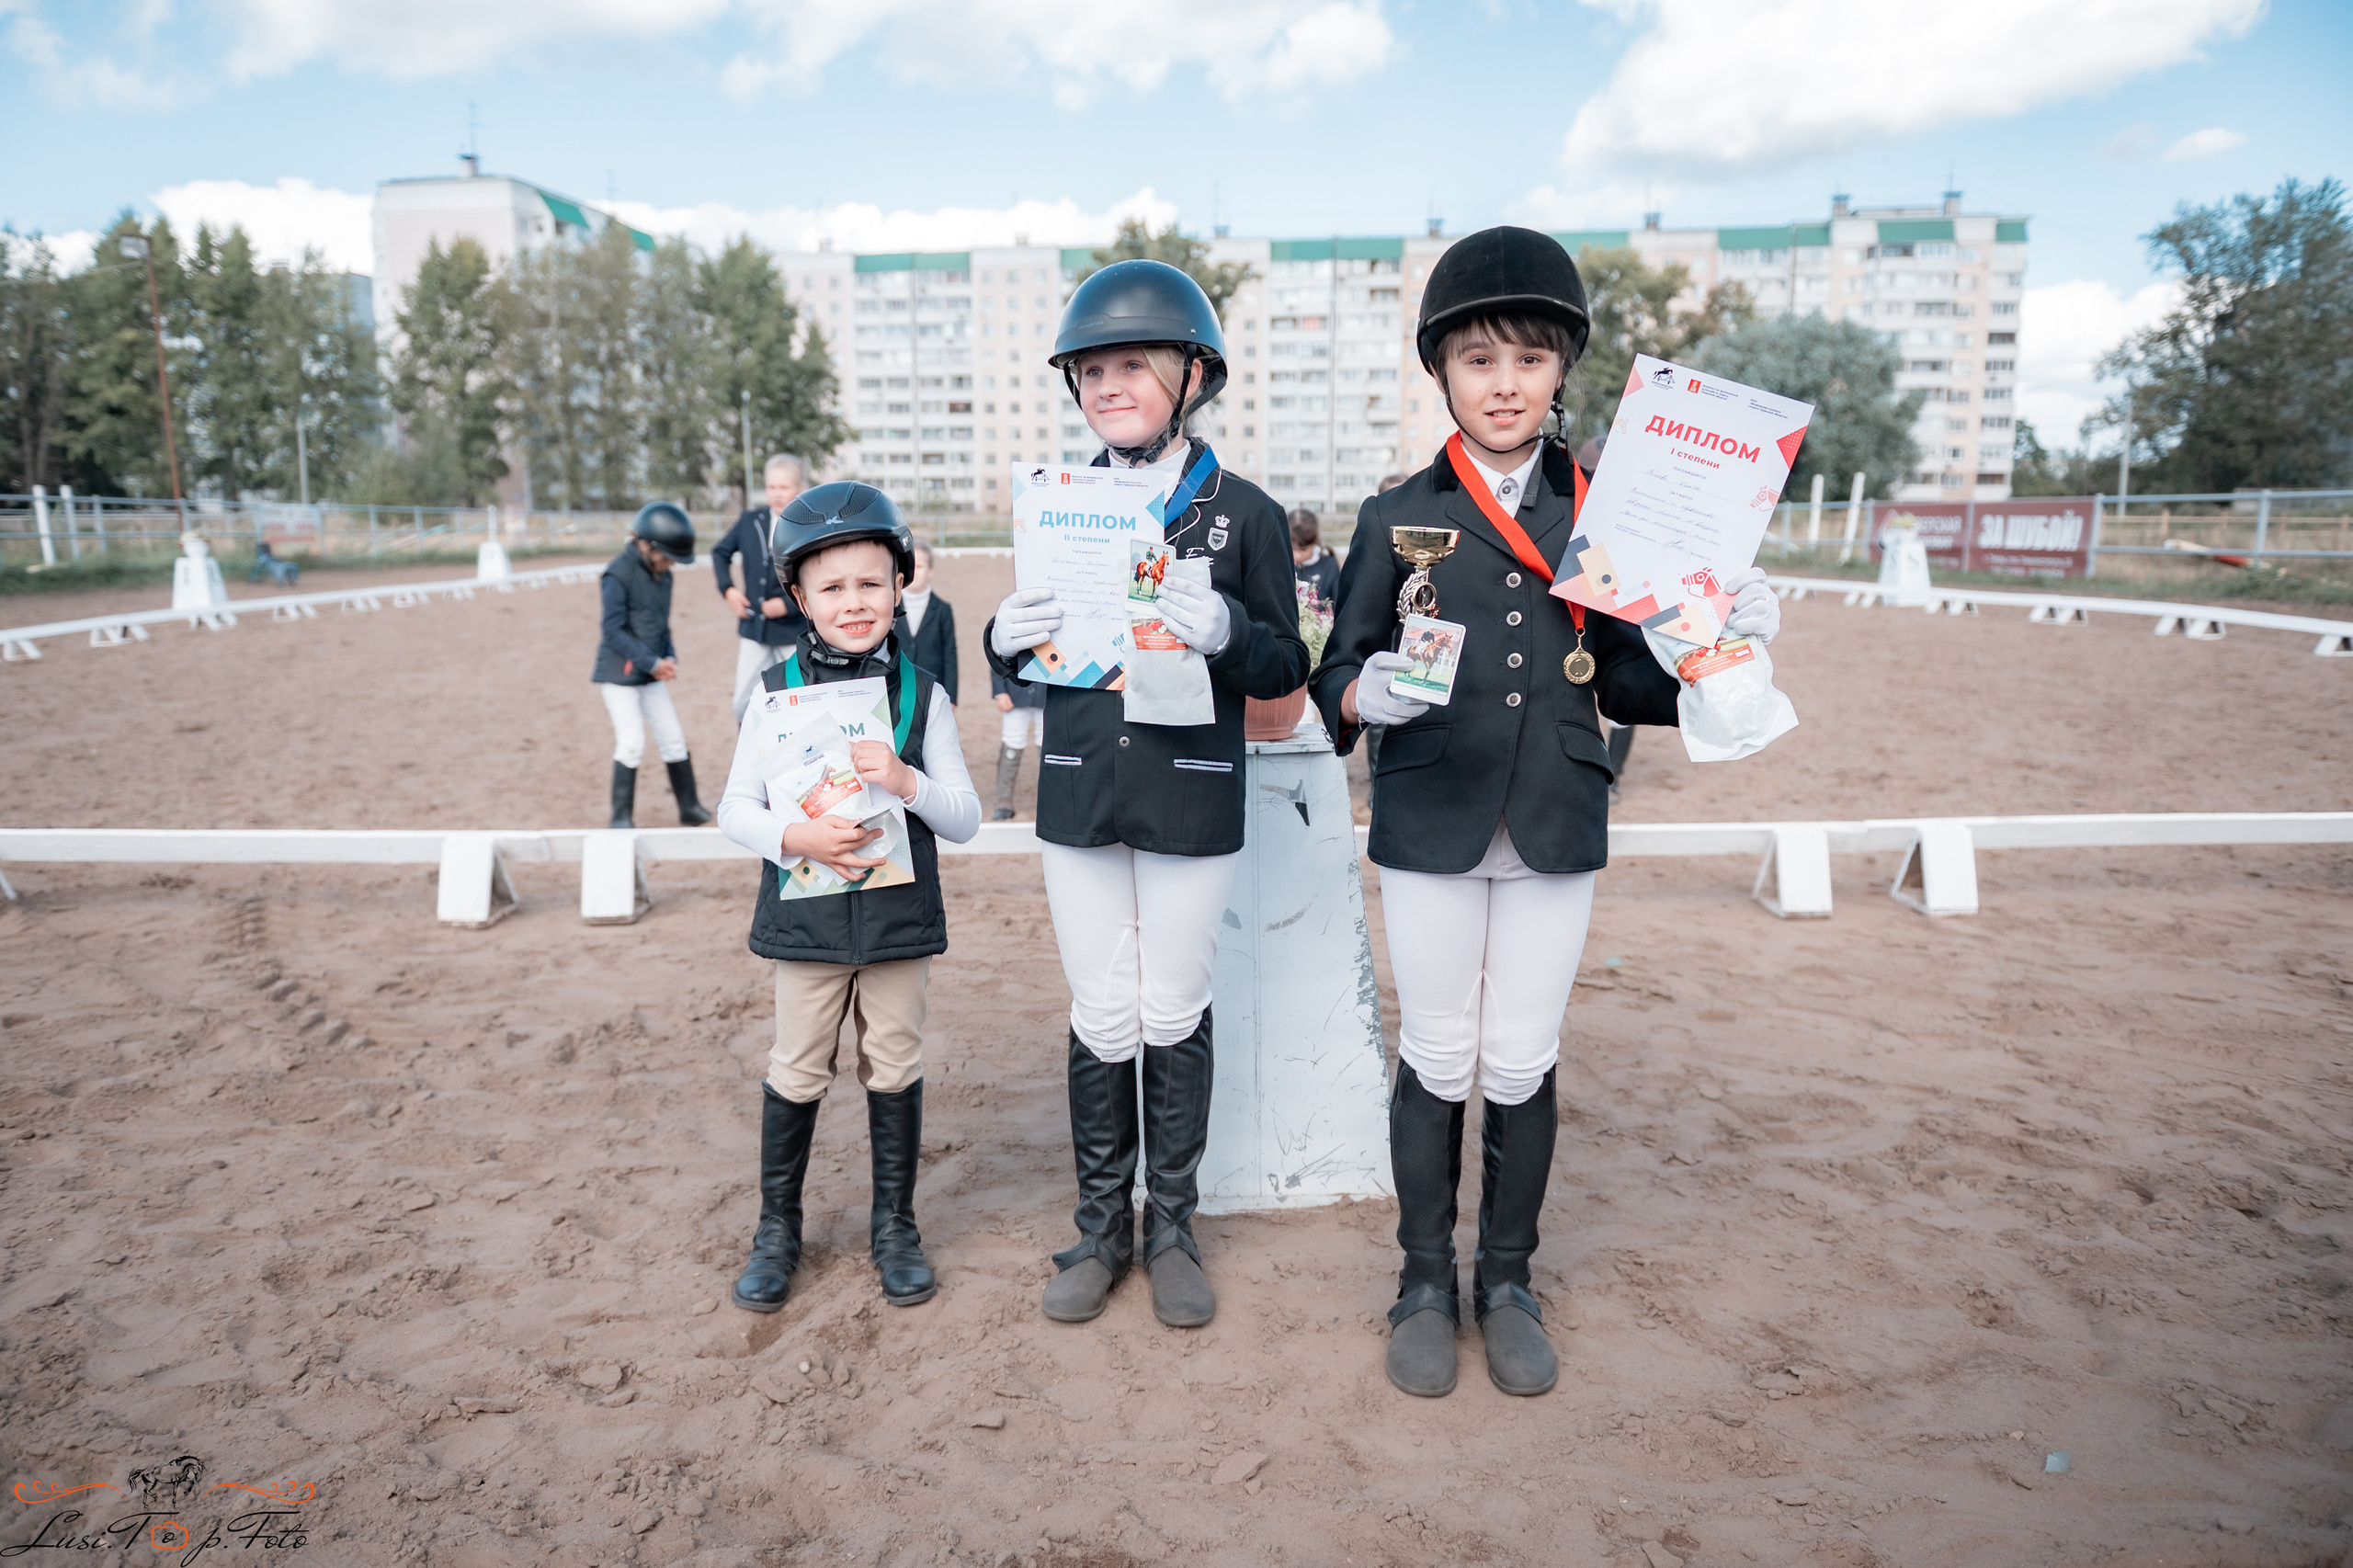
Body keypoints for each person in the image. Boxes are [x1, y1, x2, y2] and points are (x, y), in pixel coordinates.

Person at [1310, 227, 1783, 1399]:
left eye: (1528, 358)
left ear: (1561, 368)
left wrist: (1713, 655)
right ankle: (1424, 1278)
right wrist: (1363, 691)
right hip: (1430, 815)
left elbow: (1623, 676)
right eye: (1478, 360)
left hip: (1557, 817)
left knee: (1519, 1055)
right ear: (1442, 374)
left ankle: (1506, 1278)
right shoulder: (1392, 515)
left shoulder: (1613, 510)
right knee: (1435, 1048)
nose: (1505, 382)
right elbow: (1336, 671)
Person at [985, 259, 1309, 1329]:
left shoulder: (1247, 514)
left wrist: (1225, 630)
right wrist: (1002, 643)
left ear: (1191, 373)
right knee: (1100, 1010)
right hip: (1081, 788)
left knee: (1171, 1005)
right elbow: (1036, 657)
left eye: (1133, 364)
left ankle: (1171, 1222)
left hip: (1190, 788)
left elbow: (1278, 665)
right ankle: (1098, 1226)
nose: (1109, 385)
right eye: (1091, 370)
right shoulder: (1057, 506)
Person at [717, 482, 981, 1314]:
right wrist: (796, 840)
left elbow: (967, 817)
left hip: (900, 922)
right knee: (796, 1067)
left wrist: (907, 782)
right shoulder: (771, 692)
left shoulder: (924, 694)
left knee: (894, 1063)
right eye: (831, 588)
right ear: (799, 597)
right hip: (809, 918)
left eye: (871, 582)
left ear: (900, 583)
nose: (854, 602)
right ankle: (777, 1230)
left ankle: (894, 1228)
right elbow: (735, 809)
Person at [596, 502, 716, 830]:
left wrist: (669, 657)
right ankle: (620, 816)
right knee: (631, 741)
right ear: (646, 544)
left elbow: (662, 626)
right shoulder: (617, 574)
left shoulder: (664, 577)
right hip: (619, 675)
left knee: (673, 738)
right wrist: (650, 662)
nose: (669, 565)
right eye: (667, 557)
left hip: (651, 674)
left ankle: (689, 807)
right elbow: (612, 630)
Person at [714, 455, 814, 723]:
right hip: (754, 629)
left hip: (794, 632)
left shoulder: (809, 526)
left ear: (800, 487)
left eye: (784, 487)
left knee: (801, 699)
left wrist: (788, 604)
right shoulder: (750, 520)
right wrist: (729, 590)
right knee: (742, 702)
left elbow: (819, 577)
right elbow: (719, 552)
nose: (777, 494)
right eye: (771, 487)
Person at [892, 540, 959, 703]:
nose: (915, 571)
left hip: (932, 688)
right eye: (912, 565)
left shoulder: (943, 609)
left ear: (931, 571)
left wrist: (951, 698)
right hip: (896, 686)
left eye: (920, 566)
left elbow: (950, 654)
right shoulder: (889, 606)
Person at [987, 661, 1046, 821]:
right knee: (1012, 744)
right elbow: (997, 654)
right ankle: (1003, 802)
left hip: (1048, 692)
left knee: (1048, 746)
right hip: (1016, 690)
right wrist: (1001, 691)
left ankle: (1052, 801)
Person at [1290, 507, 1340, 608]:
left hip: (1318, 622)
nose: (1297, 555)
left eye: (1303, 550)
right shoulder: (1279, 566)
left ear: (1314, 541)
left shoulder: (1328, 564)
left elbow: (1338, 604)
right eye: (1293, 549)